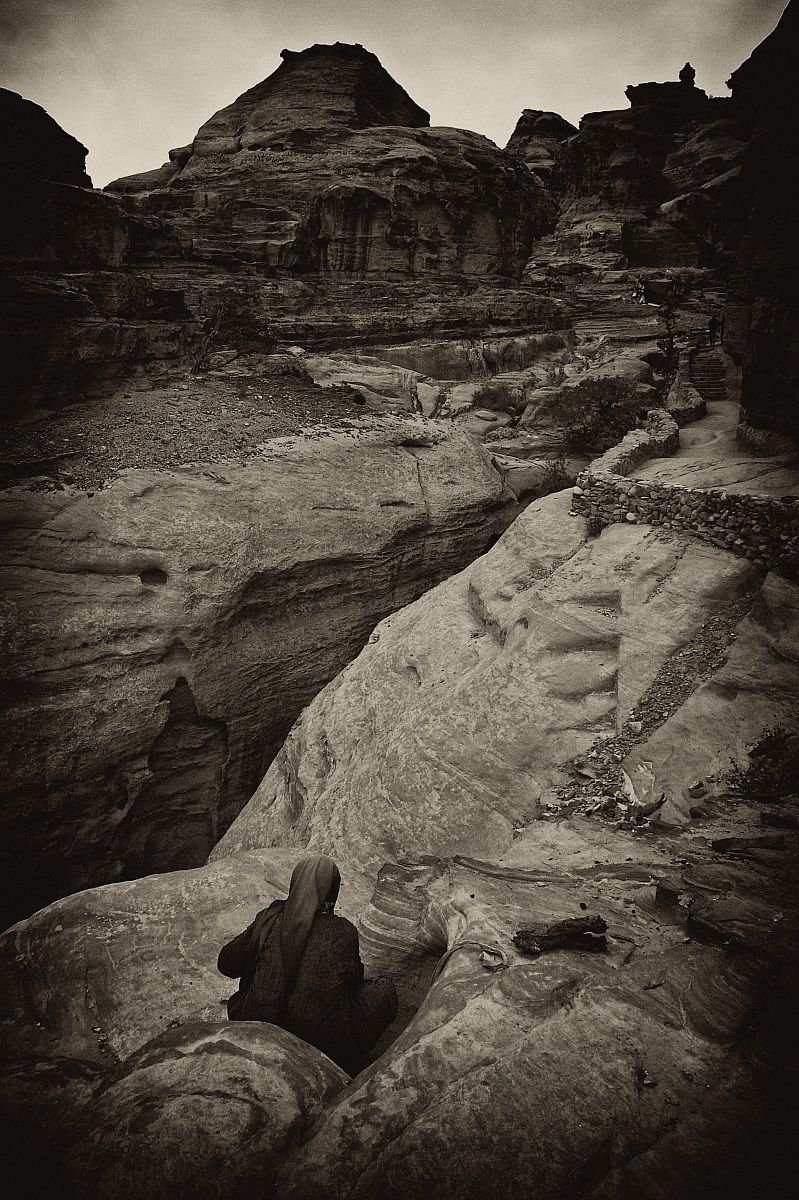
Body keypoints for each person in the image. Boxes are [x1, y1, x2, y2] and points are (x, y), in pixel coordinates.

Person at [218, 854, 398, 1075]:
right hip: (322, 1044)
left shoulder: (268, 919)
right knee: (383, 990)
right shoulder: (342, 930)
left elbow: (226, 964)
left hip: (256, 1027)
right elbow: (354, 980)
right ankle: (343, 1068)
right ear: (331, 891)